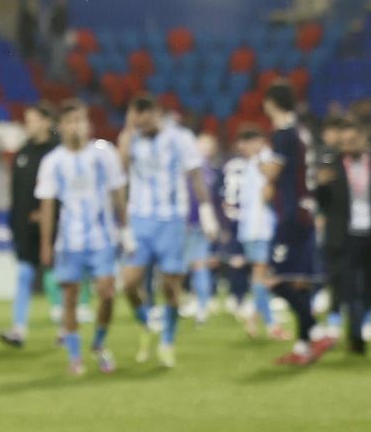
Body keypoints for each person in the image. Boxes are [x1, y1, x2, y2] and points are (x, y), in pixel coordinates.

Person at [118, 97, 219, 368]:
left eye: (146, 115)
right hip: (140, 218)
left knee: (170, 287)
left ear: (157, 114)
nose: (142, 121)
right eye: (136, 116)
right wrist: (127, 133)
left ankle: (167, 341)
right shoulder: (132, 138)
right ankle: (145, 325)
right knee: (129, 282)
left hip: (173, 221)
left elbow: (196, 175)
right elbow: (120, 173)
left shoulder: (181, 138)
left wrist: (207, 214)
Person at [36, 101, 126, 377]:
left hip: (102, 238)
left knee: (107, 293)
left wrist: (126, 228)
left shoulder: (104, 153)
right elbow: (48, 205)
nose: (77, 126)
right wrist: (46, 244)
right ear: (61, 127)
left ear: (88, 124)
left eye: (81, 120)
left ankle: (98, 343)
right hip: (69, 241)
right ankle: (75, 356)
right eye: (71, 121)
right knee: (70, 299)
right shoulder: (52, 162)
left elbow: (117, 192)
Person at [314, 118, 371, 356]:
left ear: (363, 140)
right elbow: (321, 202)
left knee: (370, 283)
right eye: (344, 142)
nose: (348, 145)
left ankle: (364, 320)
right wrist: (320, 186)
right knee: (349, 286)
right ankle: (356, 336)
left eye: (353, 140)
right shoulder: (331, 165)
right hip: (343, 236)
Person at [261, 83, 334, 366]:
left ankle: (316, 331)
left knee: (273, 279)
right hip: (306, 211)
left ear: (271, 104)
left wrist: (262, 170)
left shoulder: (284, 135)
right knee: (300, 283)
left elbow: (273, 171)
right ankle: (303, 348)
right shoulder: (302, 132)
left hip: (291, 215)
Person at [0, 105, 59, 347]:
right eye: (27, 120)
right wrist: (15, 222)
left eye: (33, 120)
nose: (29, 124)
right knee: (24, 274)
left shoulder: (57, 152)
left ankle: (65, 328)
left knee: (57, 277)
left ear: (46, 121)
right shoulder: (23, 152)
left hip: (54, 226)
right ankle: (18, 329)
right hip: (25, 227)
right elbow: (15, 192)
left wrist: (48, 216)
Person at [231, 129, 286, 340]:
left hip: (259, 225)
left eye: (246, 141)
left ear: (259, 141)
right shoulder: (253, 163)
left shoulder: (265, 162)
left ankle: (253, 319)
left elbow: (269, 190)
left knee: (262, 274)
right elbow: (267, 193)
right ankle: (272, 325)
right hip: (258, 226)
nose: (242, 147)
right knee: (261, 274)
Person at [184, 132, 224, 325]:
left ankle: (202, 305)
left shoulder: (203, 171)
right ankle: (199, 301)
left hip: (197, 223)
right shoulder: (209, 170)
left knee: (198, 264)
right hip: (192, 222)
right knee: (195, 264)